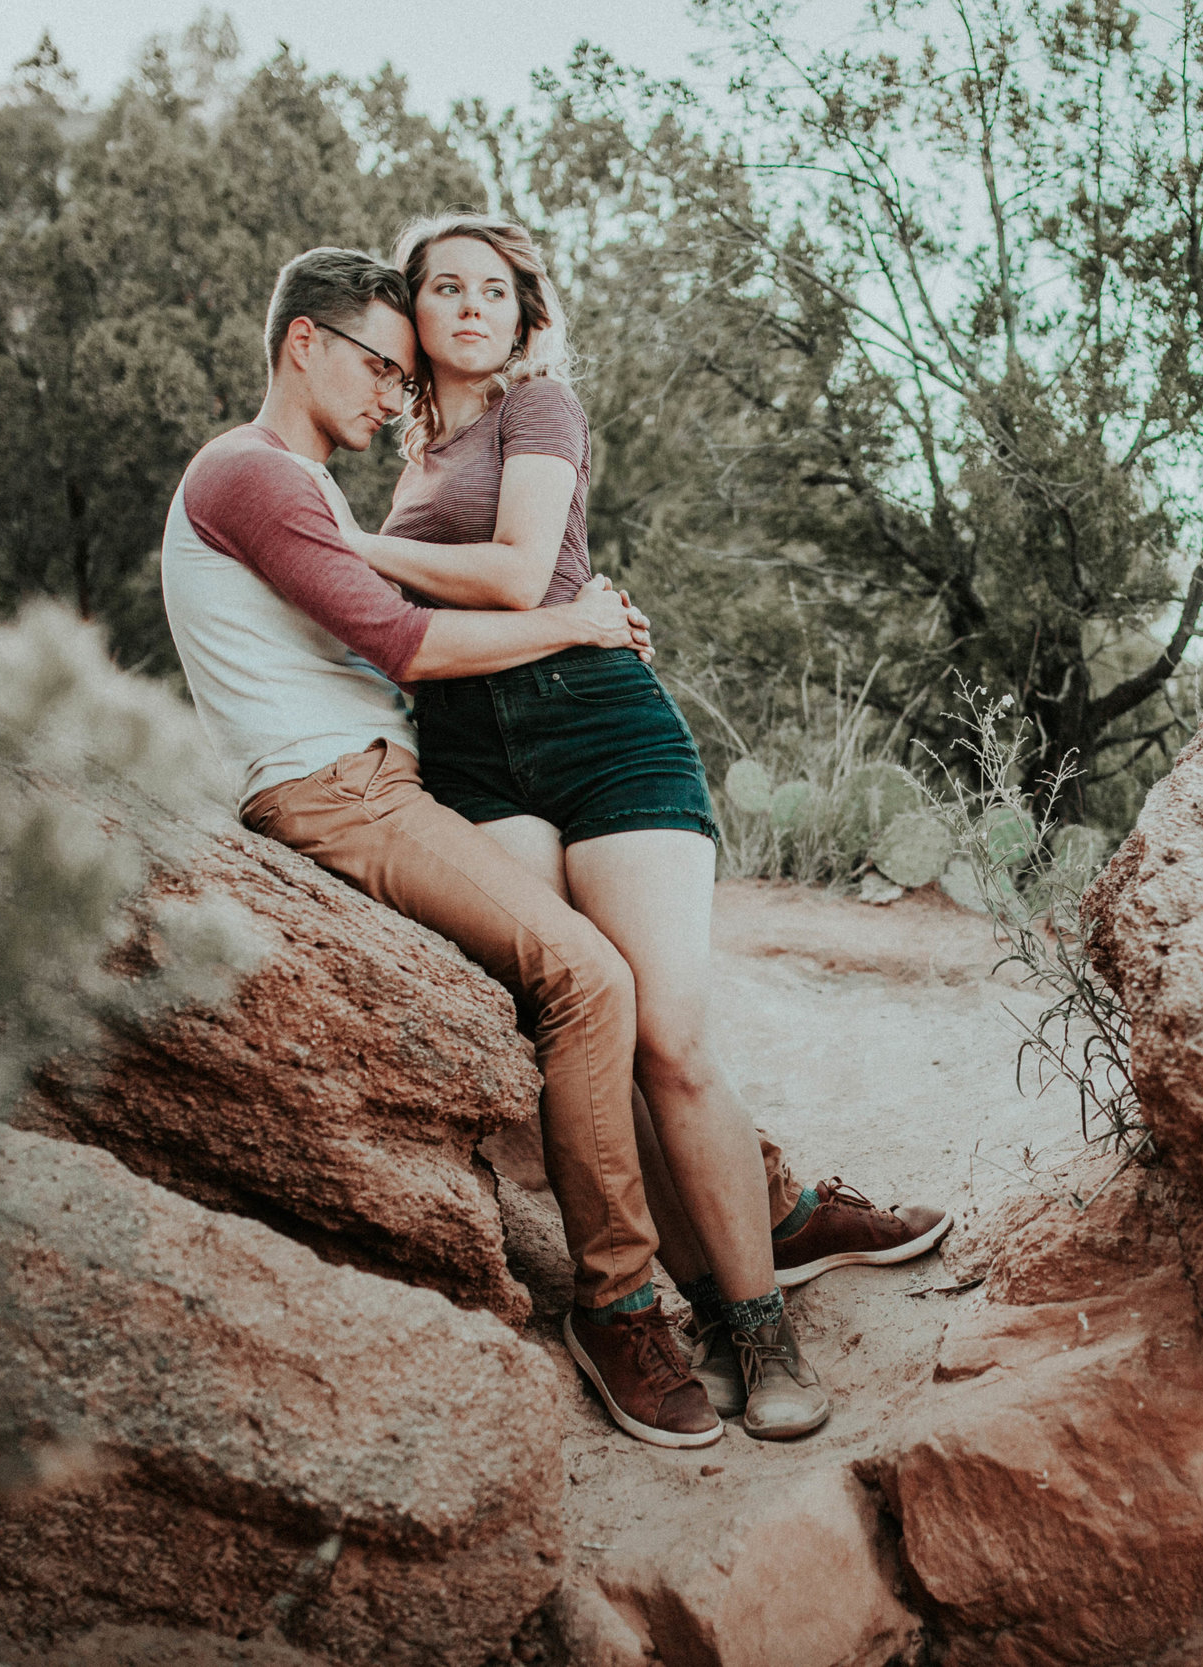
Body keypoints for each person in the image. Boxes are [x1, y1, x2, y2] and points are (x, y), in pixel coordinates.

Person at [336, 212, 950, 1433]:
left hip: (599, 724)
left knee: (669, 1034)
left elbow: (517, 576)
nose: (468, 307)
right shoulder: (402, 467)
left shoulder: (537, 409)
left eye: (493, 290)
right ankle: (710, 1269)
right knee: (588, 1024)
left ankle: (756, 1322)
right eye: (442, 288)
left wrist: (340, 544)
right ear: (407, 314)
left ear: (522, 314)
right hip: (470, 750)